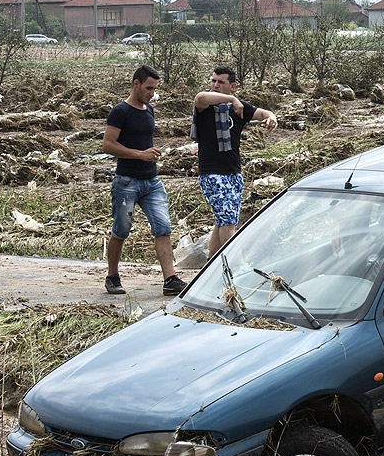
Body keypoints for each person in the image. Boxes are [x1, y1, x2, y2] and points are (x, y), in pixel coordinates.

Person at [102, 65, 187, 296]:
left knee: (163, 228)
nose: (152, 93)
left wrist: (150, 154)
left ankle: (170, 279)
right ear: (136, 84)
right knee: (121, 230)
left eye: (155, 89)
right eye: (149, 88)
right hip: (127, 182)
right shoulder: (120, 112)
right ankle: (112, 276)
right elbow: (108, 145)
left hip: (152, 182)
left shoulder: (149, 110)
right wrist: (140, 154)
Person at [193, 66, 278, 256]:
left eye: (220, 82)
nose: (215, 85)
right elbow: (200, 98)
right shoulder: (207, 106)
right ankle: (236, 268)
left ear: (232, 85)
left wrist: (271, 118)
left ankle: (211, 268)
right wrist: (232, 99)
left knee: (222, 221)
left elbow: (264, 113)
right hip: (212, 173)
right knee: (229, 224)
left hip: (234, 173)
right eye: (213, 81)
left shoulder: (239, 108)